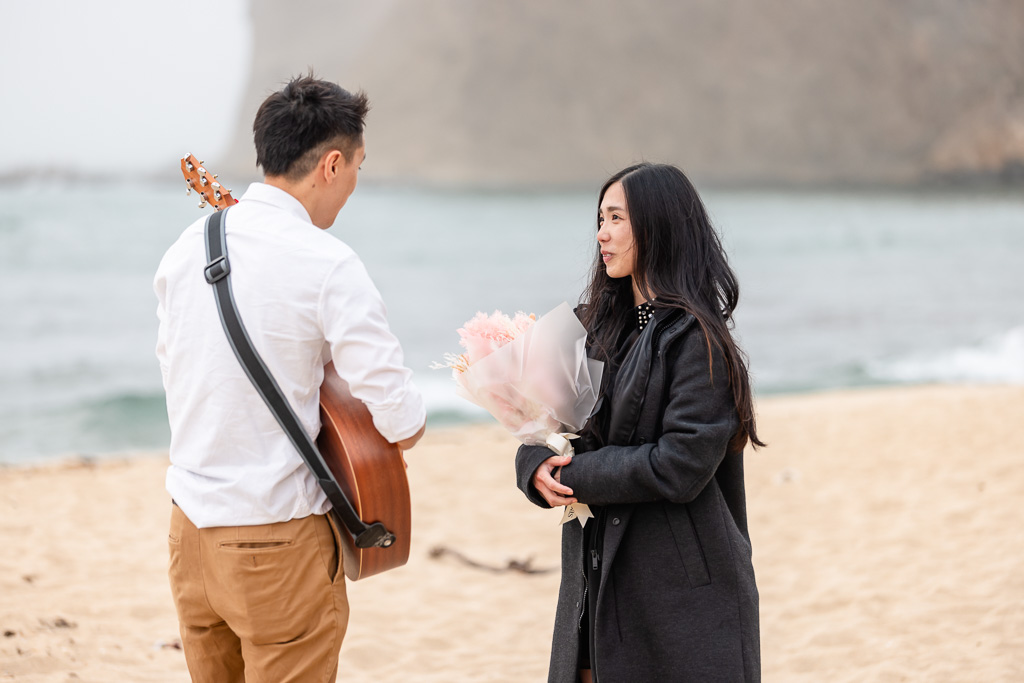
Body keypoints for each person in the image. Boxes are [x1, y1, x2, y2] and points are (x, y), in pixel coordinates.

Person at [154, 75, 426, 682]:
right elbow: (398, 417)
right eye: (357, 166)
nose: (354, 184)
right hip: (273, 540)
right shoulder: (328, 264)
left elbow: (178, 369)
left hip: (189, 533)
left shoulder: (186, 248)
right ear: (332, 164)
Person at [515, 162, 763, 682]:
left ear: (658, 225)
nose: (601, 234)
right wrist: (536, 467)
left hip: (676, 590)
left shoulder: (698, 339)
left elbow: (680, 465)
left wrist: (573, 475)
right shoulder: (592, 326)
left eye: (616, 218)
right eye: (599, 219)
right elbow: (545, 429)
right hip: (596, 575)